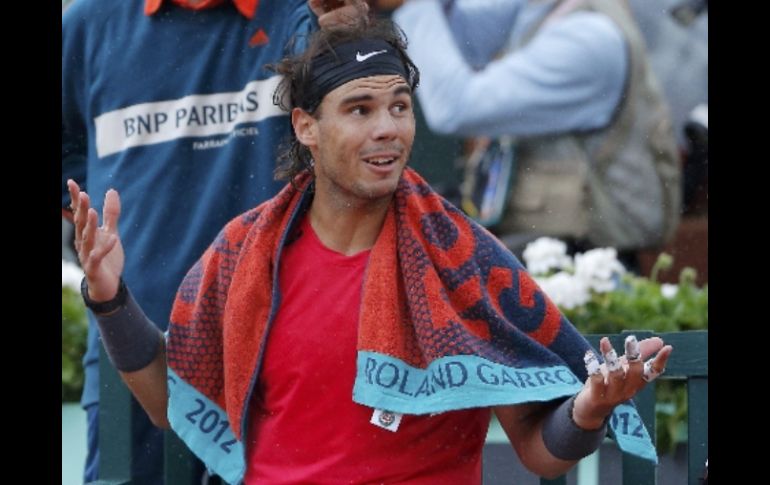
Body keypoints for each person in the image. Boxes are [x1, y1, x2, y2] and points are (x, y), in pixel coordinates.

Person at [68, 17, 672, 484]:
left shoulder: (463, 262)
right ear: (306, 126)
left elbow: (539, 451)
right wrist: (110, 298)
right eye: (360, 109)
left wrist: (590, 407)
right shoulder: (245, 255)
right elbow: (171, 407)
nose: (388, 127)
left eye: (399, 107)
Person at [61, 0, 370, 481]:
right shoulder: (86, 23)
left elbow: (361, 136)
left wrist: (348, 37)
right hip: (129, 342)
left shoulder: (309, 14)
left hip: (284, 349)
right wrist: (109, 225)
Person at [393, 0, 681, 265]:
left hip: (586, 266)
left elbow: (455, 108)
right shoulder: (539, 7)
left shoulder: (589, 37)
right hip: (541, 248)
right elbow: (463, 42)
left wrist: (415, 4)